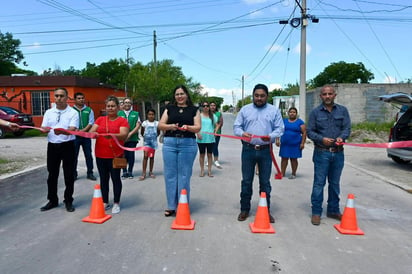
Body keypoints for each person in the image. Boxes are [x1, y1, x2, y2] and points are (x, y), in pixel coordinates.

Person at [233, 83, 284, 223]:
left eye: (262, 96)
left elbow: (280, 129)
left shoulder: (274, 111)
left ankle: (265, 210)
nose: (259, 98)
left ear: (267, 96)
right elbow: (236, 127)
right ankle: (244, 209)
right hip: (248, 150)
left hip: (265, 150)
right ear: (253, 96)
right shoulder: (245, 110)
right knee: (246, 181)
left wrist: (271, 136)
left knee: (265, 182)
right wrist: (243, 133)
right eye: (256, 96)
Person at [307, 85, 351, 226]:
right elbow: (310, 131)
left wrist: (341, 138)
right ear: (321, 96)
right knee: (319, 184)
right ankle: (316, 212)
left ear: (334, 95)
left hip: (338, 154)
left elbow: (347, 128)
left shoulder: (343, 111)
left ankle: (333, 210)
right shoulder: (315, 113)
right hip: (321, 153)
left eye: (330, 93)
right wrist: (321, 139)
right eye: (324, 94)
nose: (327, 96)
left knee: (334, 183)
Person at [158, 85, 201, 217]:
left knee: (184, 176)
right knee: (170, 175)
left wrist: (188, 127)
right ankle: (171, 206)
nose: (180, 96)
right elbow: (160, 124)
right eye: (177, 94)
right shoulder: (169, 109)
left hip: (188, 144)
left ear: (187, 95)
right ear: (174, 96)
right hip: (170, 143)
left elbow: (198, 127)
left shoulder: (194, 110)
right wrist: (171, 126)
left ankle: (183, 204)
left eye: (182, 94)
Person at [40, 87, 79, 212]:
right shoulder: (49, 112)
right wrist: (44, 130)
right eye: (56, 96)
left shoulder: (73, 113)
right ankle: (52, 200)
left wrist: (63, 131)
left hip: (67, 146)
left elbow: (73, 129)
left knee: (69, 174)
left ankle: (68, 200)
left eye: (62, 96)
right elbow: (44, 127)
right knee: (52, 174)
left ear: (67, 98)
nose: (59, 98)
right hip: (52, 146)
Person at [90, 96, 129, 214]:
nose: (110, 108)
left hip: (116, 155)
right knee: (103, 179)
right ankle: (105, 201)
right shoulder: (100, 120)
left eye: (113, 106)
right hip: (100, 154)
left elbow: (124, 135)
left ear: (118, 107)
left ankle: (116, 202)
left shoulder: (122, 120)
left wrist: (112, 135)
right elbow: (92, 132)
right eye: (108, 106)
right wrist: (94, 134)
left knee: (116, 179)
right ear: (105, 107)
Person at [275, 107, 306, 179]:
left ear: (296, 113)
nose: (292, 113)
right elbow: (279, 131)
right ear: (288, 113)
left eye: (294, 112)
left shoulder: (300, 122)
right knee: (284, 159)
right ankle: (282, 173)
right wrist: (277, 140)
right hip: (285, 144)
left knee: (294, 159)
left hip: (295, 144)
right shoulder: (284, 121)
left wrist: (302, 143)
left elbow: (304, 133)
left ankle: (293, 173)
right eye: (291, 112)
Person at [72, 92, 96, 181]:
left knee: (88, 155)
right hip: (75, 137)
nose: (81, 100)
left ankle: (90, 173)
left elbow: (91, 123)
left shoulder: (89, 110)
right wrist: (75, 131)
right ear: (75, 100)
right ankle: (73, 174)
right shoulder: (71, 110)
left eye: (82, 98)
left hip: (86, 136)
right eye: (79, 98)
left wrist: (82, 131)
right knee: (74, 156)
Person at [118, 98, 141, 179]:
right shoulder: (119, 113)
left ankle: (130, 171)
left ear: (131, 104)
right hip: (121, 138)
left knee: (131, 155)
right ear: (123, 104)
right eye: (125, 102)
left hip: (132, 138)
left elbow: (138, 125)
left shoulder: (136, 113)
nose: (127, 104)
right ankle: (124, 171)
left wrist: (130, 134)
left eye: (129, 102)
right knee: (122, 155)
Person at [196, 102, 217, 177]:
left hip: (210, 138)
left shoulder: (213, 116)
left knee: (209, 154)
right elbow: (196, 126)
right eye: (204, 106)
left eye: (207, 106)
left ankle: (209, 171)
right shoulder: (199, 116)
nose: (205, 107)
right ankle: (202, 170)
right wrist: (198, 133)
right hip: (201, 138)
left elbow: (216, 125)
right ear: (201, 107)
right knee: (202, 154)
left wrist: (215, 131)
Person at [139, 108, 159, 180]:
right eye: (149, 114)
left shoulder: (157, 123)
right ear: (147, 115)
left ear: (154, 115)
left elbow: (158, 132)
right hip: (146, 143)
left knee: (151, 157)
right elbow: (142, 132)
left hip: (153, 143)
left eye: (152, 114)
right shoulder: (144, 123)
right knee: (145, 156)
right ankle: (143, 172)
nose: (151, 116)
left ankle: (151, 171)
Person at [210, 101, 223, 169]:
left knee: (215, 146)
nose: (212, 107)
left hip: (217, 133)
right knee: (209, 146)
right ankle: (210, 159)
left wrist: (216, 131)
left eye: (214, 105)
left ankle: (216, 160)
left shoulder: (218, 114)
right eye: (211, 105)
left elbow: (220, 123)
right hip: (208, 133)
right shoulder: (207, 114)